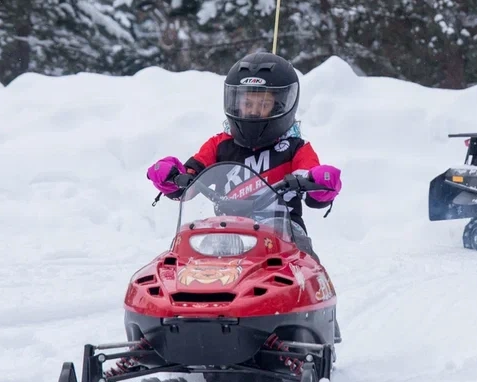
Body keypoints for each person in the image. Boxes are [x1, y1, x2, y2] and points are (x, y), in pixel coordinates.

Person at [145, 52, 342, 244]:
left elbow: (312, 185)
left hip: (284, 234)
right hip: (228, 232)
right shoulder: (219, 145)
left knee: (295, 250)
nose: (254, 111)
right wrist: (171, 175)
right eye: (247, 103)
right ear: (235, 104)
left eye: (263, 104)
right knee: (198, 251)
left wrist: (320, 181)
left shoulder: (296, 148)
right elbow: (189, 179)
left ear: (280, 106)